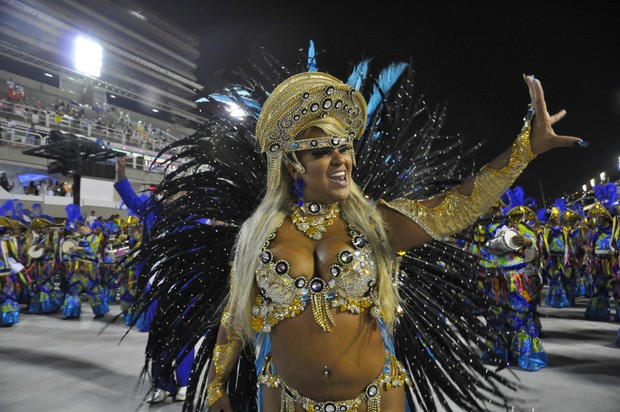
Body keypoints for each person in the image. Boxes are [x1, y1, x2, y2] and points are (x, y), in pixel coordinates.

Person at [133, 63, 585, 411]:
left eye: (344, 147)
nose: (340, 159)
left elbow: (456, 207)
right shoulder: (258, 236)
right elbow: (234, 320)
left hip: (375, 398)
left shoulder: (377, 224)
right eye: (321, 150)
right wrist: (216, 390)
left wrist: (526, 149)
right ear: (294, 164)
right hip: (285, 401)